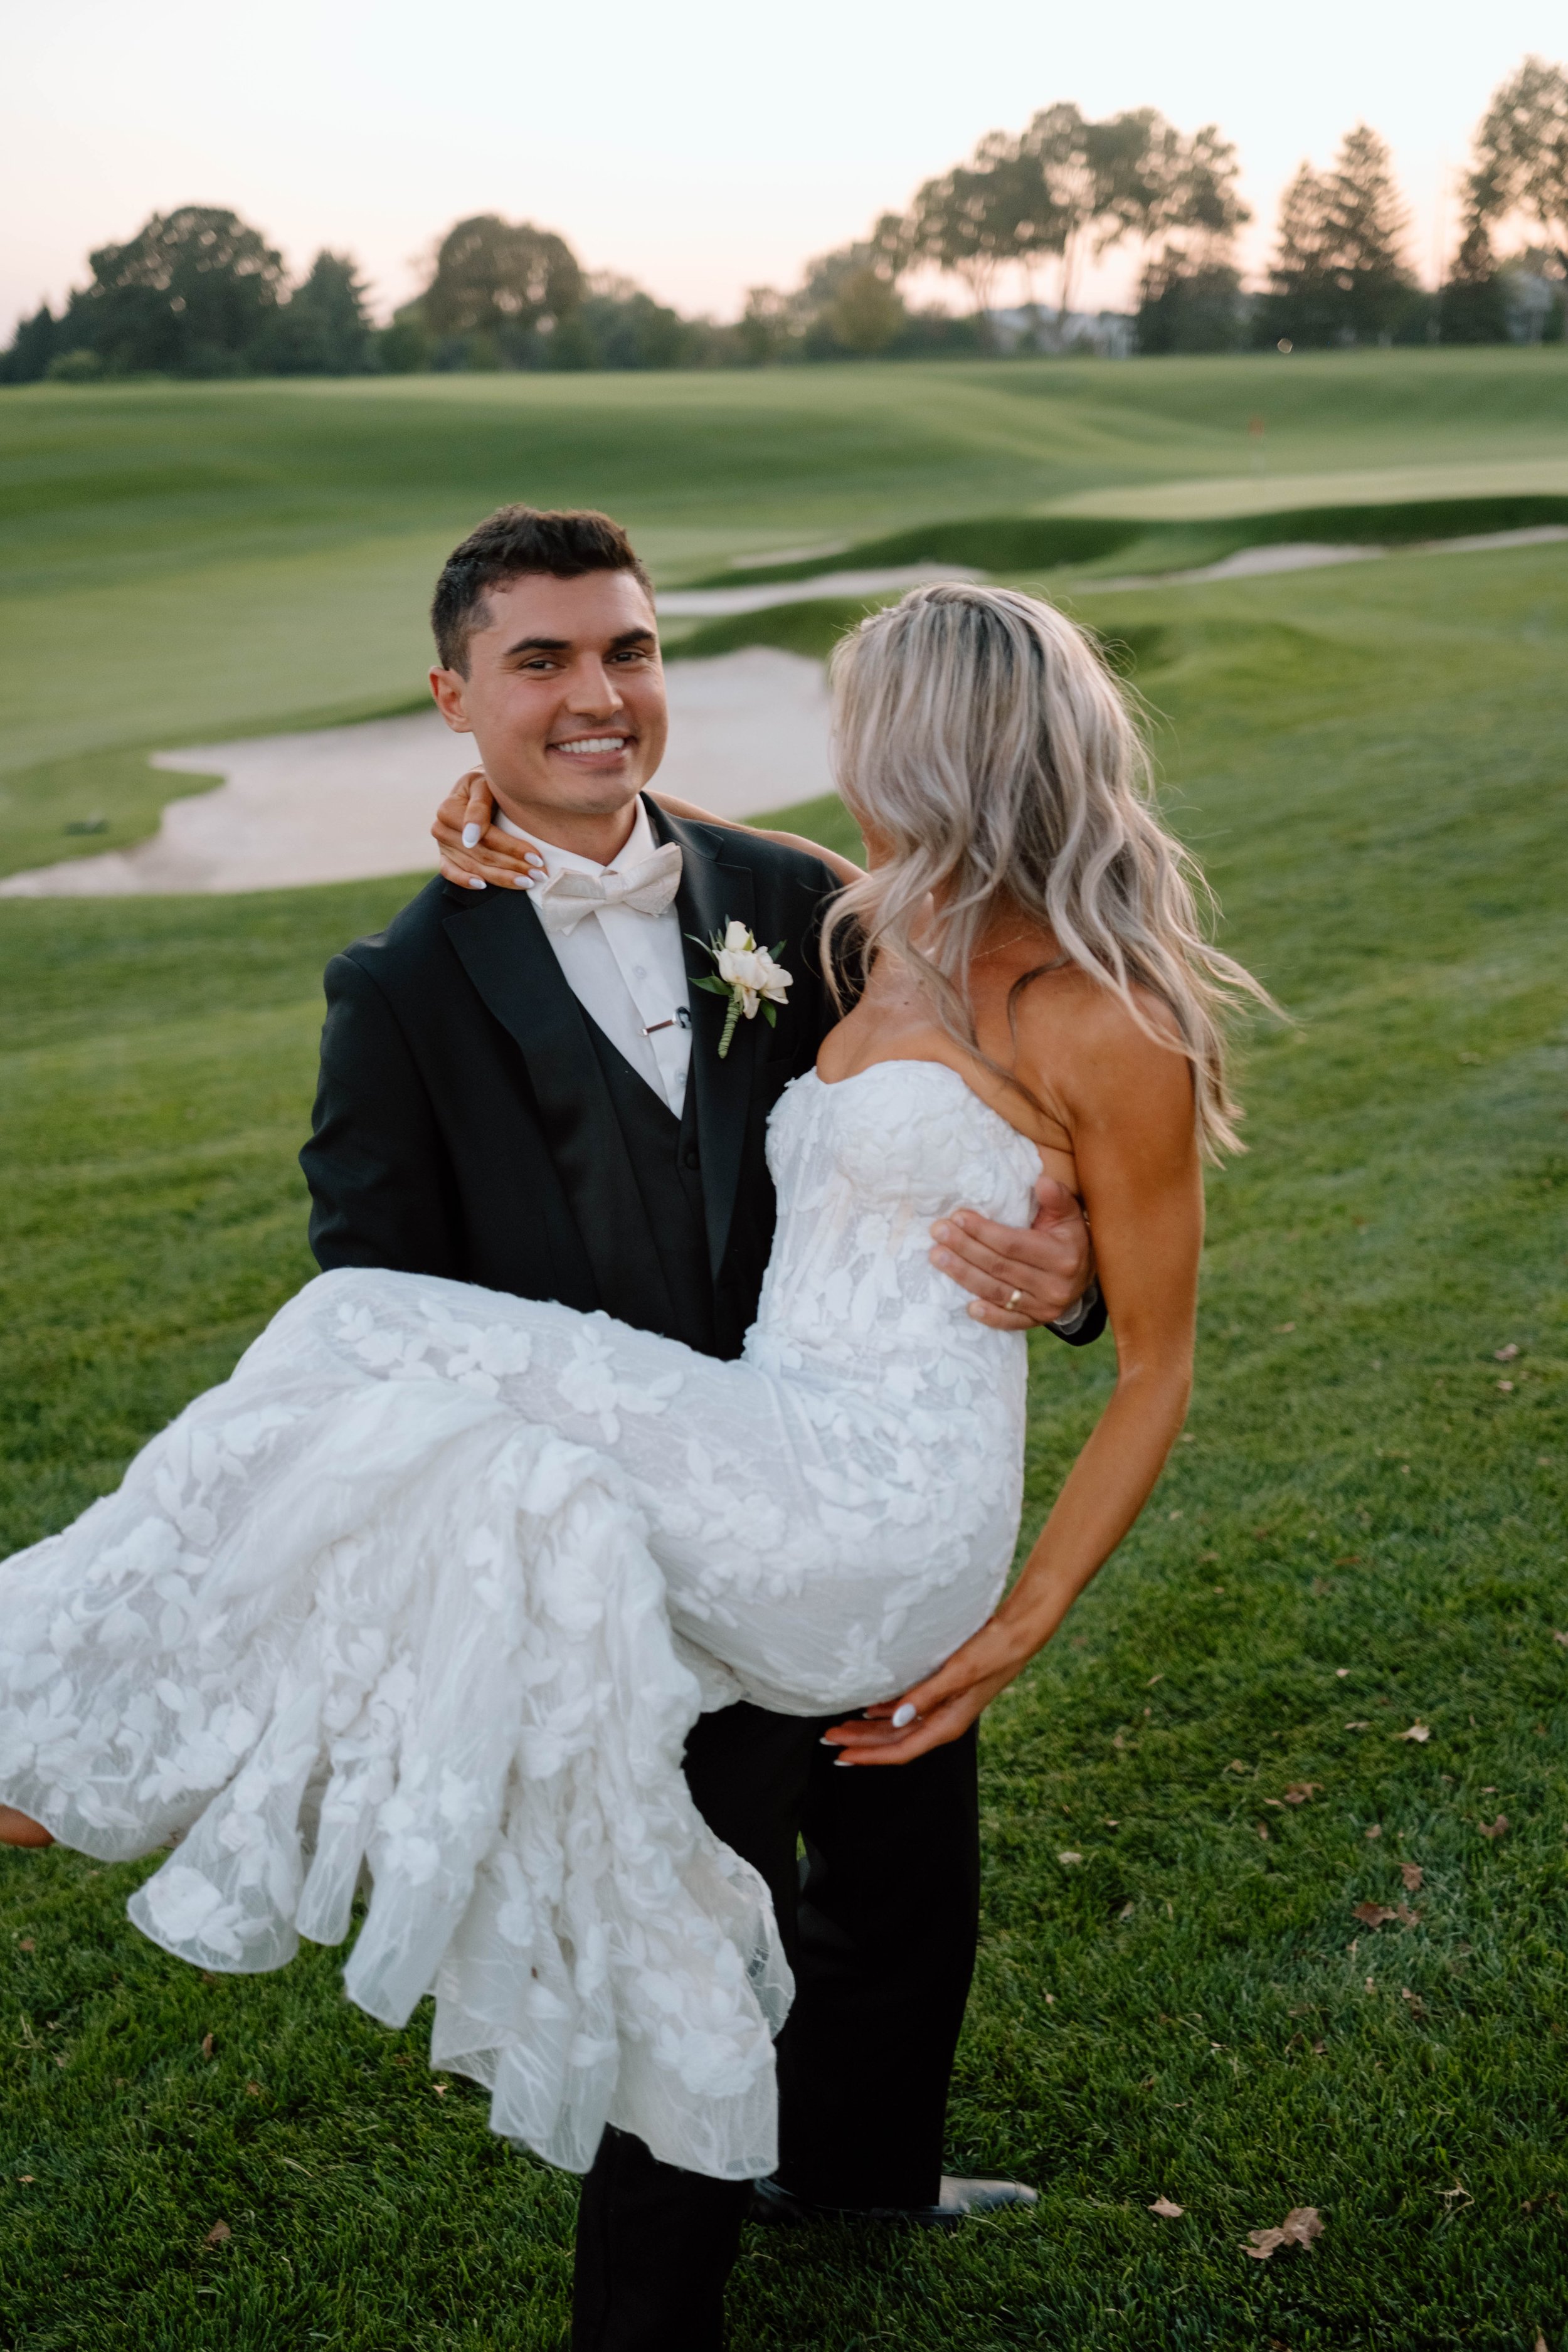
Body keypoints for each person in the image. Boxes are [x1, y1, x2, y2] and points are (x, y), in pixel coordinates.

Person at [0, 513, 1266, 2352]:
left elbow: (1071, 1225)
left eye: (630, 655)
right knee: (682, 1890)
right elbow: (385, 1261)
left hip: (840, 1493)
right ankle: (70, 1724)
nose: (601, 698)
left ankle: (860, 2171)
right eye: (542, 666)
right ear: (459, 702)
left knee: (900, 1898)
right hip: (688, 1478)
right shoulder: (448, 980)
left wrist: (1057, 1277)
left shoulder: (810, 908)